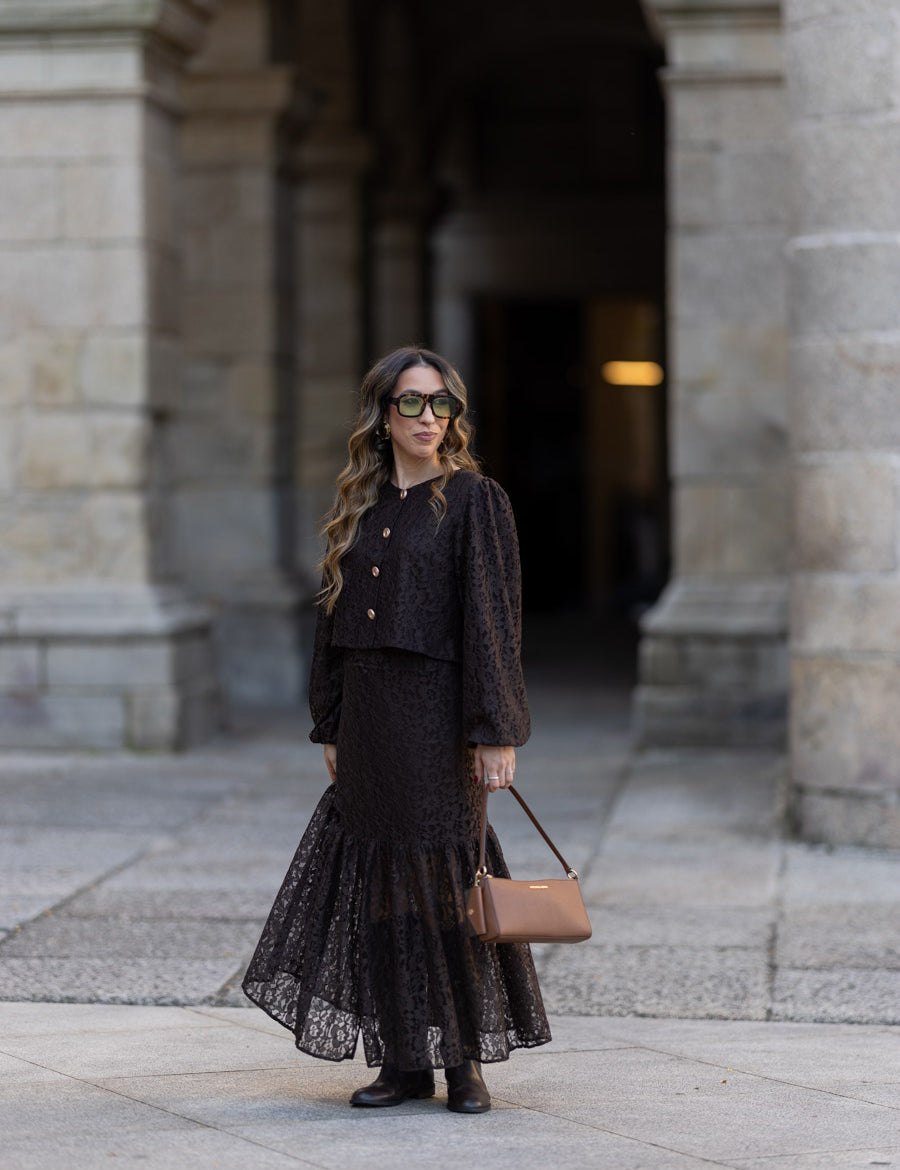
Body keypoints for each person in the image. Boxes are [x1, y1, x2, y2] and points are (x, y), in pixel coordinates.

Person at [242, 346, 551, 1114]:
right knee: (380, 889)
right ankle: (403, 1060)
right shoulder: (362, 506)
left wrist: (495, 729)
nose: (427, 417)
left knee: (447, 885)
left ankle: (464, 1062)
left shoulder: (474, 499)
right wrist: (331, 722)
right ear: (383, 416)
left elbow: (492, 621)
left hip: (439, 719)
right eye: (411, 403)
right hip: (371, 720)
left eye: (441, 403)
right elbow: (333, 624)